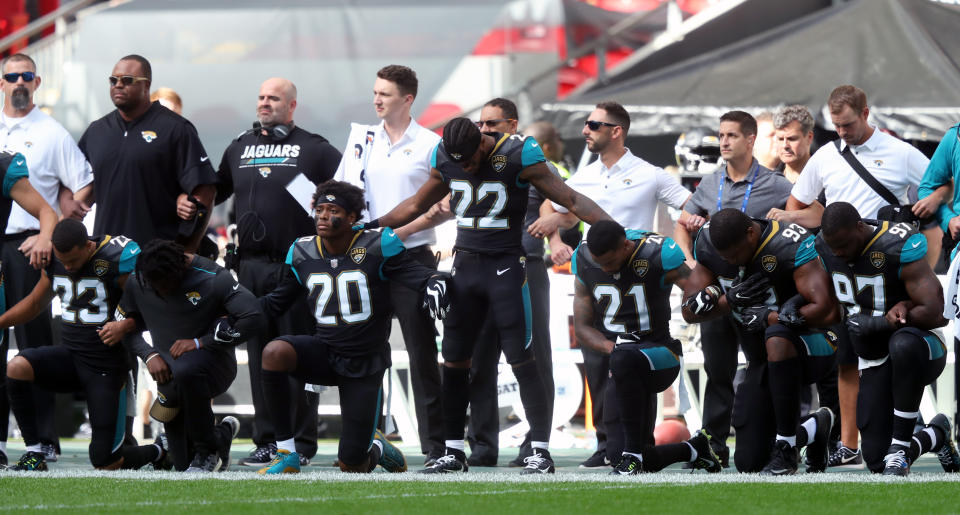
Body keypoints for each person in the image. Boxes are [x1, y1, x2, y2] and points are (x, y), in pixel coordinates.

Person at [363, 117, 612, 474]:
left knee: (522, 361)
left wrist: (611, 227)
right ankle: (452, 450)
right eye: (458, 161)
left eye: (469, 159)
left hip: (507, 268)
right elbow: (417, 204)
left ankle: (540, 450)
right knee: (453, 361)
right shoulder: (444, 156)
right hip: (465, 268)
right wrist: (371, 228)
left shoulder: (517, 151)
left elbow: (569, 198)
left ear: (482, 142)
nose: (464, 167)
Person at [770, 85, 938, 469]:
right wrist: (795, 220)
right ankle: (848, 442)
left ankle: (906, 431)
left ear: (865, 113)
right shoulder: (827, 155)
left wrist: (926, 227)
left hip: (891, 265)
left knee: (898, 349)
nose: (841, 132)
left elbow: (936, 186)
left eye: (847, 124)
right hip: (841, 265)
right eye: (836, 126)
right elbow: (799, 203)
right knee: (846, 353)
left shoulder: (899, 151)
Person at [528, 101, 689, 467]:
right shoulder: (582, 177)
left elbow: (691, 210)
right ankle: (605, 443)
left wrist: (681, 247)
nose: (585, 130)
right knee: (598, 361)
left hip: (641, 282)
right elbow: (551, 208)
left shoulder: (651, 174)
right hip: (594, 278)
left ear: (616, 130)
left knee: (638, 362)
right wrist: (555, 240)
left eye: (593, 124)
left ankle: (638, 443)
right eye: (586, 124)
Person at [256, 180, 450, 474]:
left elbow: (416, 274)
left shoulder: (377, 244)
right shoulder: (302, 251)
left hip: (364, 361)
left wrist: (435, 281)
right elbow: (276, 302)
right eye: (319, 209)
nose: (323, 216)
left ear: (352, 217)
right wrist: (233, 308)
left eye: (332, 210)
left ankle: (377, 448)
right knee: (274, 352)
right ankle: (286, 452)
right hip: (324, 352)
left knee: (352, 464)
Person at [216, 77, 342, 468]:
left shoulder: (315, 148)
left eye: (273, 98)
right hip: (250, 266)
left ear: (292, 106)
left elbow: (349, 193)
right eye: (260, 97)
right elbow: (214, 191)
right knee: (259, 357)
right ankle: (268, 440)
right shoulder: (239, 146)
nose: (264, 103)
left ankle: (301, 442)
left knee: (297, 354)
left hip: (299, 265)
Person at [333, 64, 447, 464]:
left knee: (421, 353)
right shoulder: (363, 140)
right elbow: (344, 194)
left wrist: (396, 233)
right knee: (363, 351)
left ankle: (436, 448)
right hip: (364, 256)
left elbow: (444, 206)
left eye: (384, 93)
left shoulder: (432, 143)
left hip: (410, 254)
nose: (377, 99)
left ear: (408, 98)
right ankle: (363, 443)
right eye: (375, 92)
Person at [672, 110, 794, 466]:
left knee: (762, 365)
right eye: (721, 135)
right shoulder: (710, 183)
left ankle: (772, 439)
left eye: (731, 136)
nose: (723, 142)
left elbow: (810, 217)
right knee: (717, 370)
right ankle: (714, 446)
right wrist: (692, 264)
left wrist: (790, 216)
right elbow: (682, 224)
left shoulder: (777, 184)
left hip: (758, 294)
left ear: (751, 140)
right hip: (717, 291)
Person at [0, 220, 170, 471]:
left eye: (73, 260)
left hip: (106, 367)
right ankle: (35, 453)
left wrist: (124, 325)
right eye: (63, 261)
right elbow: (36, 303)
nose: (67, 266)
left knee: (105, 462)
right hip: (70, 357)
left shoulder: (115, 257)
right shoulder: (55, 258)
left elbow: (152, 306)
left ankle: (161, 450)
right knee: (16, 367)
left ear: (88, 246)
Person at [681, 209, 837, 474]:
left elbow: (827, 310)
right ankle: (814, 428)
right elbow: (689, 311)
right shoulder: (708, 242)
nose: (731, 262)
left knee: (777, 337)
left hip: (811, 346)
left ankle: (787, 451)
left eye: (734, 254)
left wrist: (771, 317)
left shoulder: (789, 243)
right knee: (749, 463)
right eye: (724, 258)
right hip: (762, 361)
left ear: (751, 233)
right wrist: (728, 300)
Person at [816, 202, 960, 475]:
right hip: (873, 359)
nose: (839, 253)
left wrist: (883, 322)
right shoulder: (825, 245)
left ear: (860, 227)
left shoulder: (896, 244)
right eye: (833, 247)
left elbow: (938, 313)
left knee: (902, 343)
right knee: (876, 462)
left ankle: (900, 449)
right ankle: (936, 434)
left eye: (844, 245)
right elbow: (824, 300)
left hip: (920, 349)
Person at [464, 100, 568, 468]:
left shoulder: (529, 158)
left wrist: (554, 230)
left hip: (525, 267)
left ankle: (535, 442)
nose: (483, 129)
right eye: (479, 123)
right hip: (479, 268)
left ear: (512, 123)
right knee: (479, 359)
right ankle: (482, 444)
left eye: (491, 123)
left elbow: (561, 206)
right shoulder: (472, 161)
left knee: (534, 357)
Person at [572, 220, 722, 474]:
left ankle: (634, 456)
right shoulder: (583, 258)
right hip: (620, 360)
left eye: (609, 262)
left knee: (624, 361)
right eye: (600, 264)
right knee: (617, 454)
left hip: (661, 352)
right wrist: (615, 348)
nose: (606, 270)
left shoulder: (656, 253)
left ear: (626, 246)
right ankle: (693, 449)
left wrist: (713, 294)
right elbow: (583, 328)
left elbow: (700, 288)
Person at [104, 239, 262, 472]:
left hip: (212, 365)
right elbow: (124, 331)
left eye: (164, 285)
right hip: (167, 377)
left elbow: (254, 316)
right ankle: (222, 436)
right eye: (152, 285)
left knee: (186, 369)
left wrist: (201, 342)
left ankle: (208, 452)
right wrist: (149, 355)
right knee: (181, 463)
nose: (158, 290)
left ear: (180, 270)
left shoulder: (212, 277)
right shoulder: (140, 279)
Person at [1, 53, 87, 465]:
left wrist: (49, 235)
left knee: (34, 344)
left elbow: (83, 186)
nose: (18, 82)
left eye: (26, 76)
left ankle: (44, 439)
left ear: (37, 82)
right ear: (1, 82)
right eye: (11, 76)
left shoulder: (53, 132)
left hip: (30, 247)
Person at [79, 55, 217, 254]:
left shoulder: (176, 128)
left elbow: (206, 190)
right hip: (106, 257)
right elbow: (75, 185)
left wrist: (188, 250)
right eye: (113, 80)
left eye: (127, 80)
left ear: (147, 85)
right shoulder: (96, 131)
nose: (118, 85)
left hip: (156, 259)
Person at [772, 105, 815, 184]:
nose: (785, 145)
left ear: (809, 137)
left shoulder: (825, 178)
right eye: (780, 139)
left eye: (792, 139)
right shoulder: (767, 182)